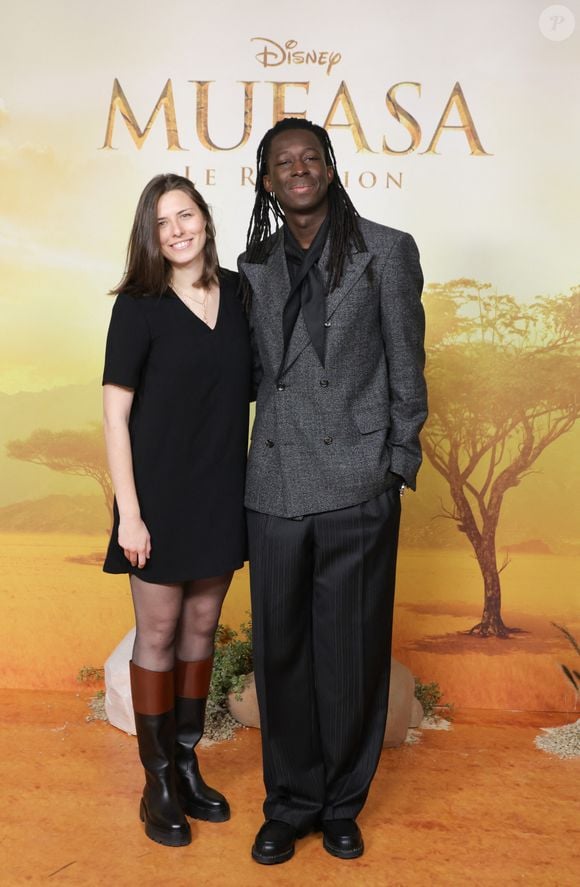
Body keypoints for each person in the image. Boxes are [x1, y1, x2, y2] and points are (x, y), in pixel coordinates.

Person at [239, 119, 427, 864]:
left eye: (308, 157)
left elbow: (408, 369)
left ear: (328, 166)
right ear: (268, 181)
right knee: (281, 655)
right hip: (274, 485)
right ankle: (288, 804)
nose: (298, 169)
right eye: (282, 162)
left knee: (350, 655)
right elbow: (250, 378)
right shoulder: (254, 265)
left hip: (357, 484)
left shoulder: (386, 250)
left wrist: (396, 466)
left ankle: (342, 803)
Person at [102, 174, 251, 847]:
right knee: (157, 637)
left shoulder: (240, 294)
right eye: (161, 223)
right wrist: (129, 514)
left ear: (205, 219)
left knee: (201, 631)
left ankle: (187, 761)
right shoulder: (138, 305)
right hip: (157, 497)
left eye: (184, 215)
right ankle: (156, 779)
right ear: (150, 237)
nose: (175, 231)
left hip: (221, 490)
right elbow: (114, 414)